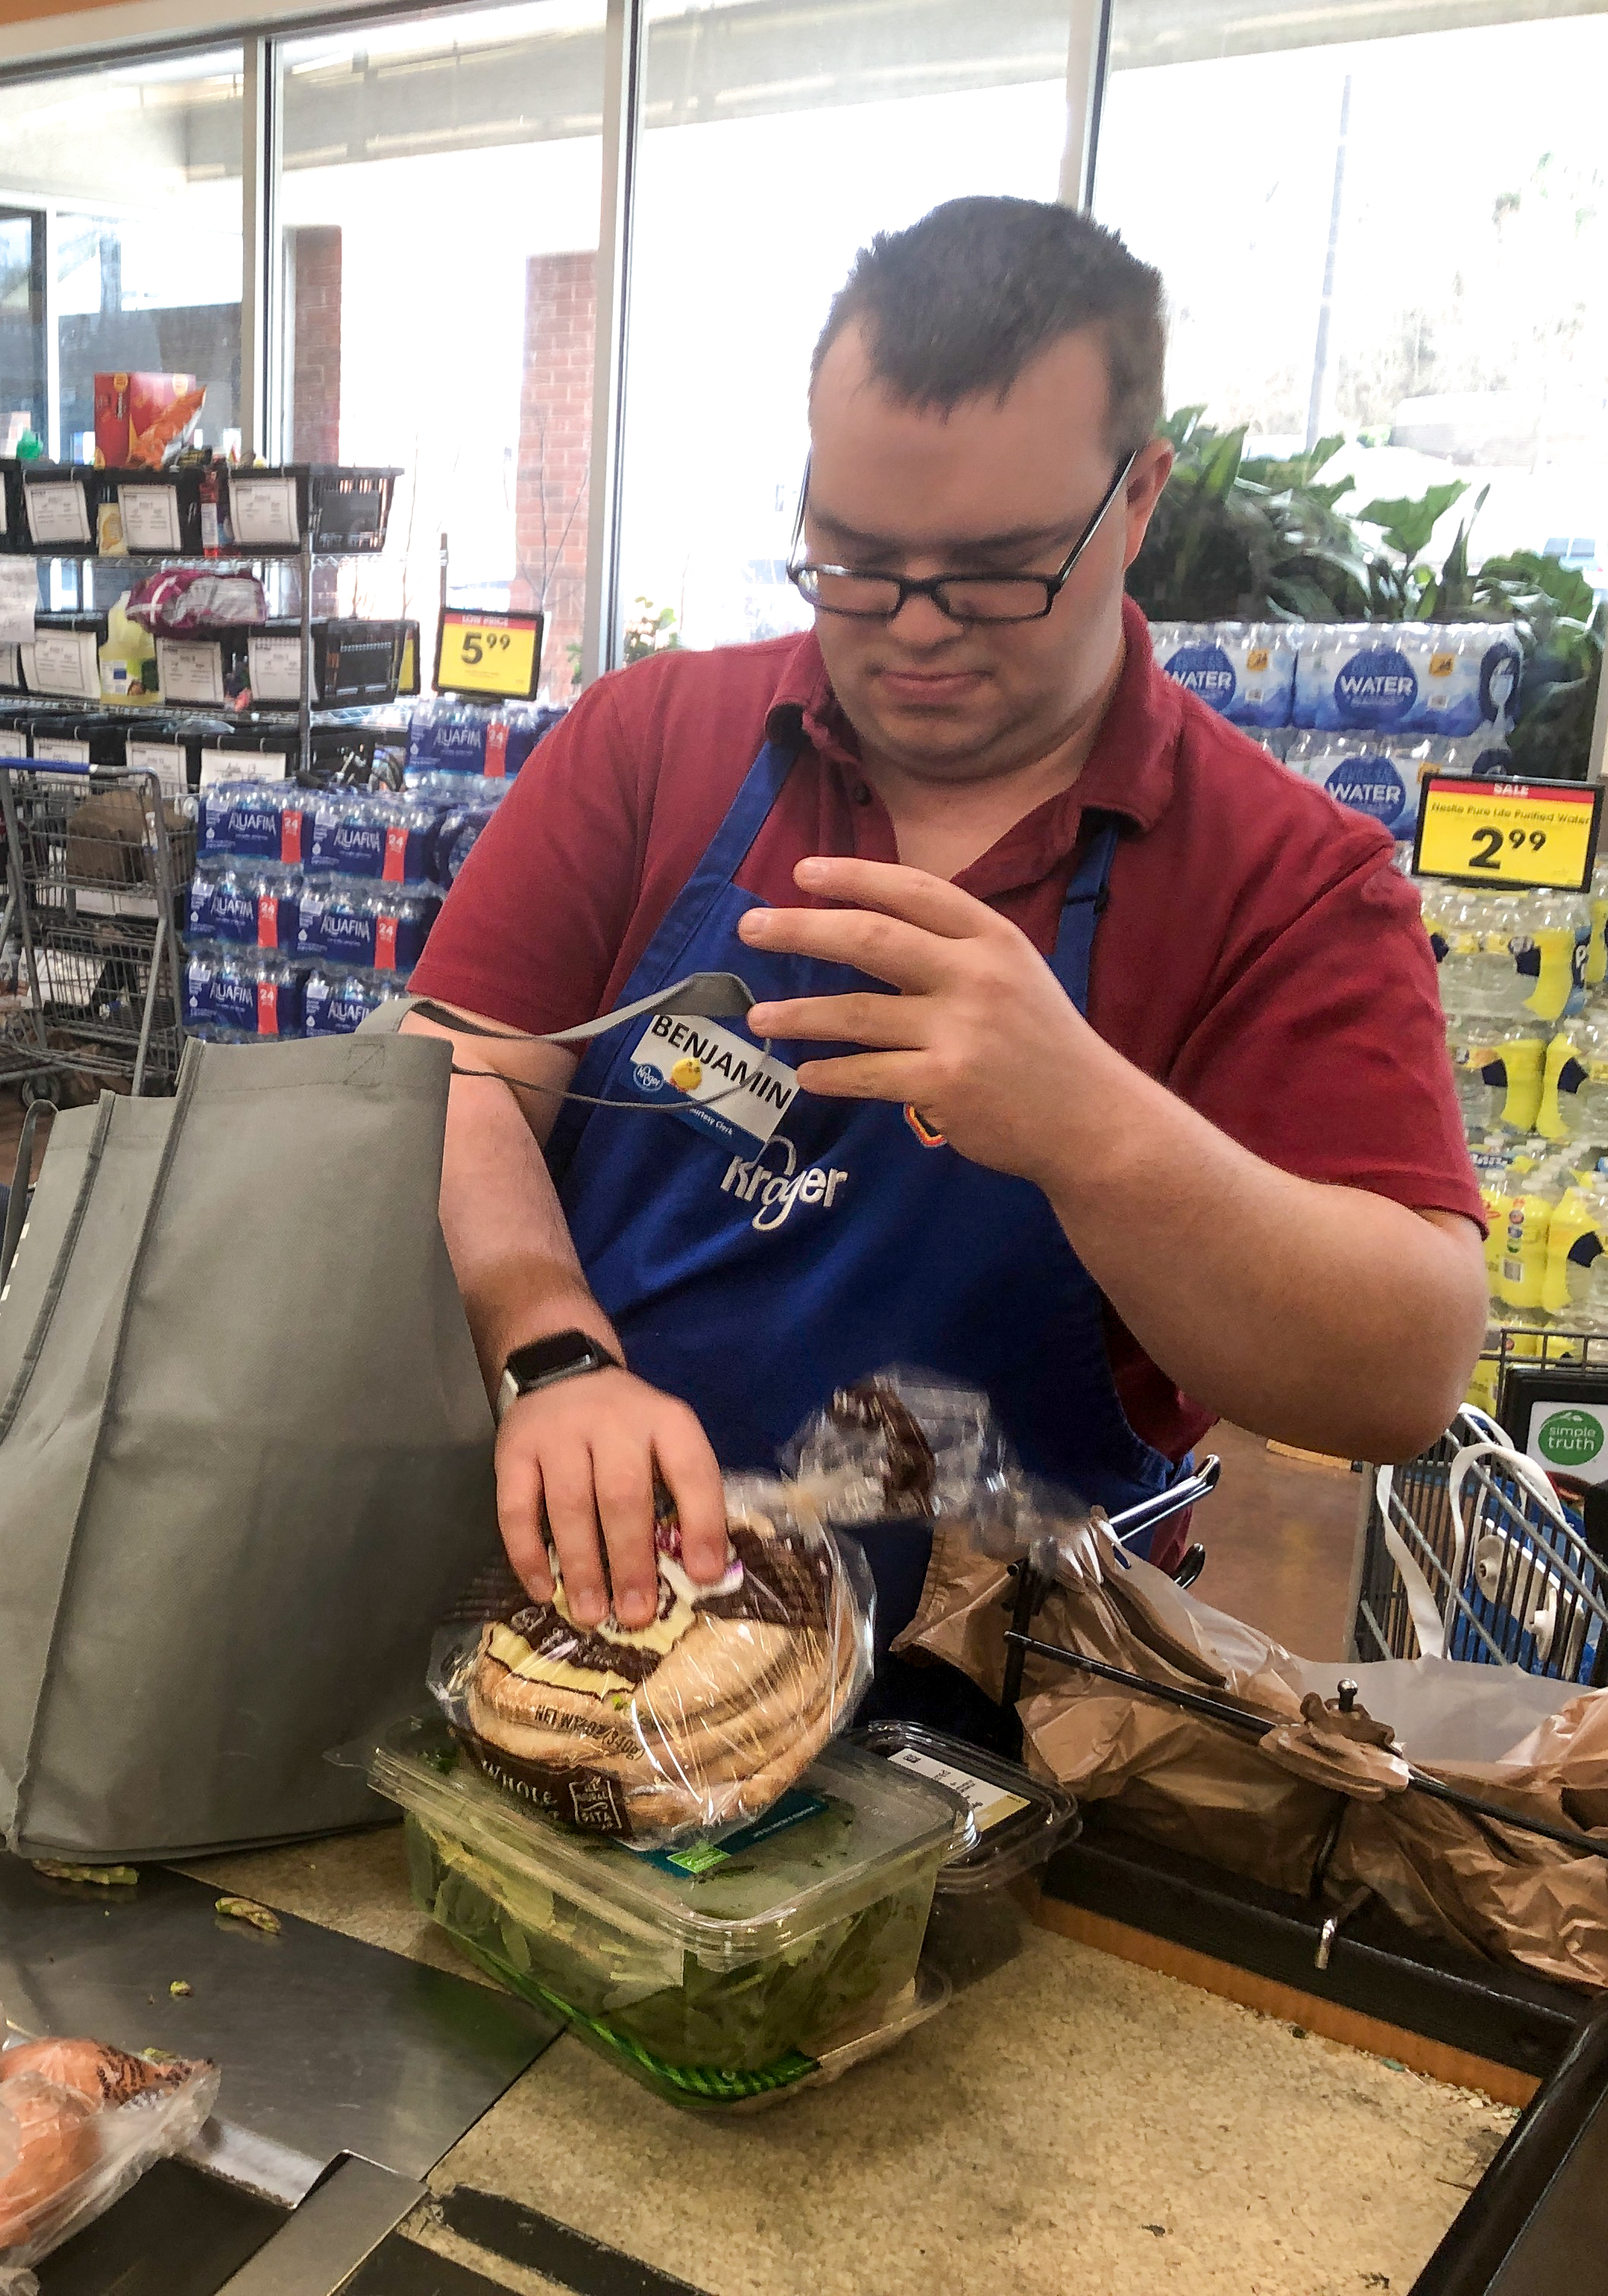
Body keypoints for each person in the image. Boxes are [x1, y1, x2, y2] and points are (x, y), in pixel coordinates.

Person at [403, 198, 1485, 1727]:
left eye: (992, 572)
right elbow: (451, 1080)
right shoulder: (656, 745)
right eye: (853, 559)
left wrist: (1087, 1126)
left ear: (1138, 501)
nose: (914, 630)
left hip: (1002, 1748)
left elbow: (1405, 1365)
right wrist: (553, 1351)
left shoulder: (1289, 882)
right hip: (572, 1659)